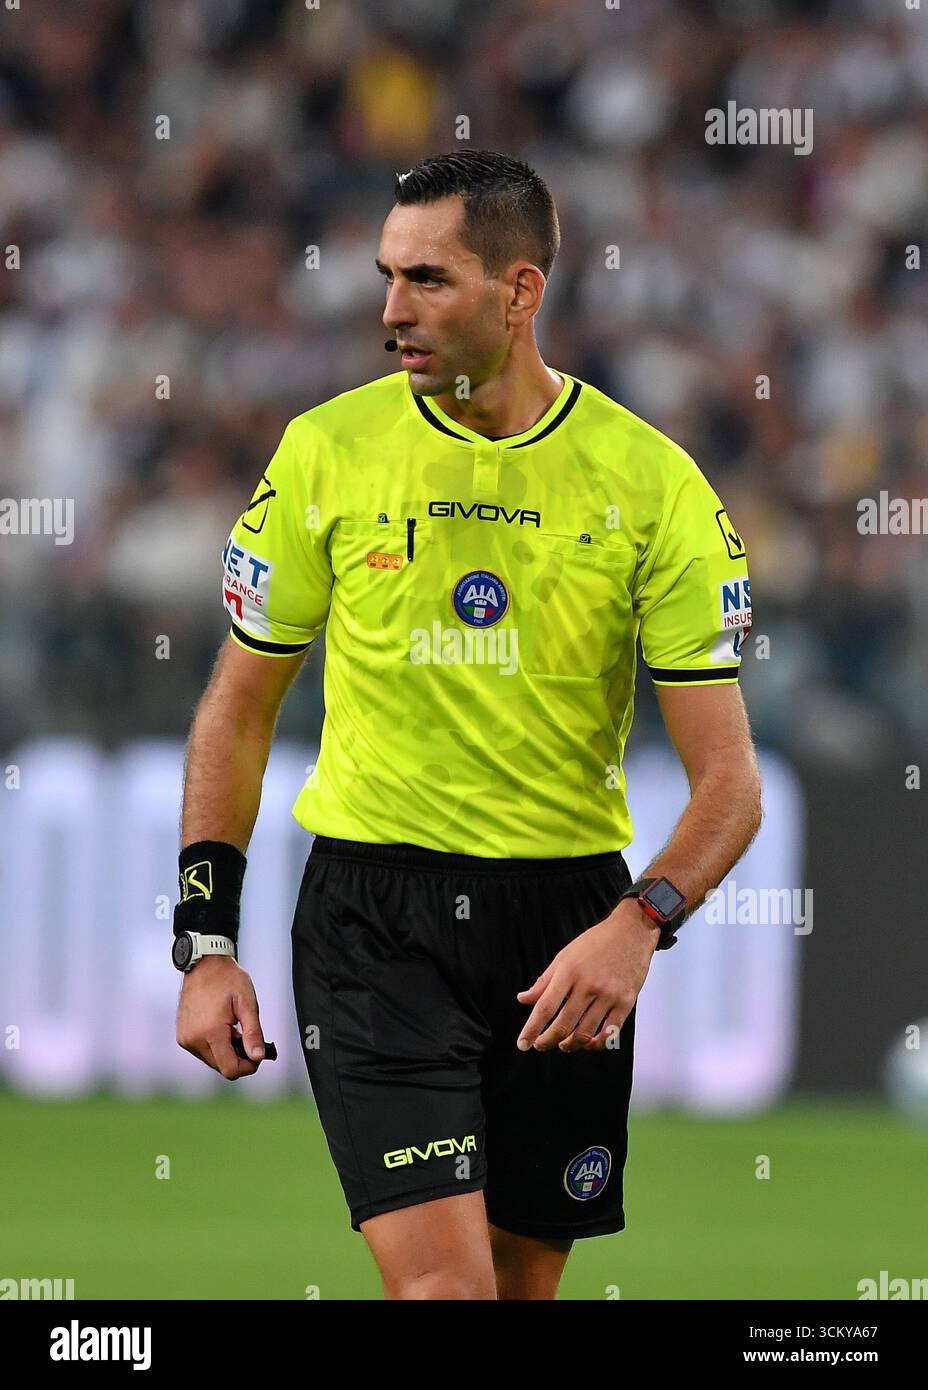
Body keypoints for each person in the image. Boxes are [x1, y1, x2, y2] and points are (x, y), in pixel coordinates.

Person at [172, 149, 762, 1300]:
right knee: (446, 1295)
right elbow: (237, 710)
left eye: (429, 281)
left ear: (520, 291)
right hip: (371, 919)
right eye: (386, 278)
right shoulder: (326, 452)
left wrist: (637, 923)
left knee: (516, 1293)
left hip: (564, 931)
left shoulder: (653, 485)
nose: (393, 312)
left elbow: (728, 785)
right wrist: (206, 943)